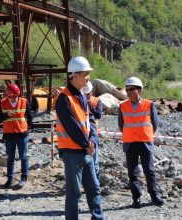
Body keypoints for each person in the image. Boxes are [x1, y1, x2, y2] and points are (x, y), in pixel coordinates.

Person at [55, 56, 104, 220]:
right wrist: (87, 144)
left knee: (94, 188)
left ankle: (98, 218)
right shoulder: (63, 99)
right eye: (85, 74)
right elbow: (72, 126)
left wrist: (92, 141)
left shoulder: (82, 96)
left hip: (84, 150)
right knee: (74, 192)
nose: (88, 77)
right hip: (72, 152)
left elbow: (89, 122)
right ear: (75, 75)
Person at [118, 76, 165, 208]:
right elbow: (121, 125)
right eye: (127, 89)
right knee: (132, 173)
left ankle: (154, 196)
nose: (128, 92)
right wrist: (130, 134)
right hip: (130, 143)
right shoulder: (122, 106)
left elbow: (154, 124)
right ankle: (136, 198)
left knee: (149, 171)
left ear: (139, 90)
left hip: (145, 142)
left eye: (131, 89)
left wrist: (146, 134)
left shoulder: (149, 105)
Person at [0, 83, 33, 189]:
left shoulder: (24, 101)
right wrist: (6, 115)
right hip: (9, 134)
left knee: (24, 156)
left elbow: (30, 115)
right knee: (10, 157)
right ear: (7, 95)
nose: (12, 99)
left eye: (14, 97)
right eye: (10, 97)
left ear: (18, 94)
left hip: (22, 133)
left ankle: (24, 177)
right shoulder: (2, 102)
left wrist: (29, 126)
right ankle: (10, 179)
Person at [81, 81, 103, 180]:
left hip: (93, 133)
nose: (87, 95)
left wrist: (90, 107)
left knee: (94, 161)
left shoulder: (97, 101)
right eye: (85, 94)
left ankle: (96, 183)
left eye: (88, 93)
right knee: (84, 160)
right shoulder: (80, 101)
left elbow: (98, 115)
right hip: (83, 133)